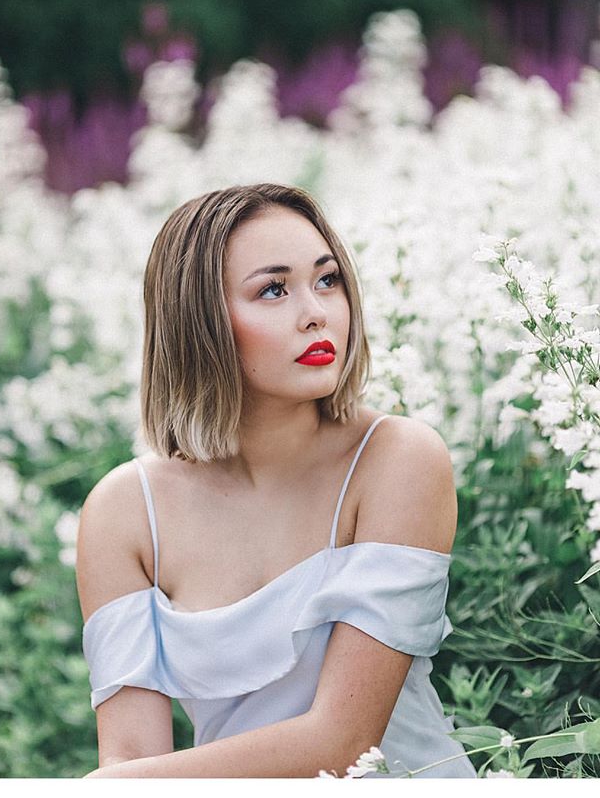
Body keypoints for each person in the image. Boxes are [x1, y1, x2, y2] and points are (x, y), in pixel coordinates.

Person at [76, 182, 477, 778]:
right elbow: (133, 756)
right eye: (273, 289)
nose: (316, 312)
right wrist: (115, 783)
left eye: (327, 279)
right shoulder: (124, 513)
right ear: (199, 322)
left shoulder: (398, 459)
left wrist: (102, 788)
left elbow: (342, 743)